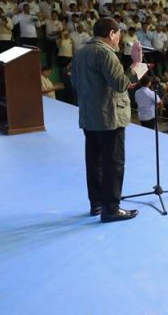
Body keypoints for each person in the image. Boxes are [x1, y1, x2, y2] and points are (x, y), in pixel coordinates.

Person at [71, 17, 143, 223]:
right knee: (113, 163)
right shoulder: (105, 54)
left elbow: (75, 83)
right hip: (109, 117)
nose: (120, 40)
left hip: (89, 116)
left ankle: (97, 203)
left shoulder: (81, 53)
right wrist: (136, 64)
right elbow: (121, 84)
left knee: (94, 162)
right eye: (118, 35)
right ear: (111, 34)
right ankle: (112, 207)